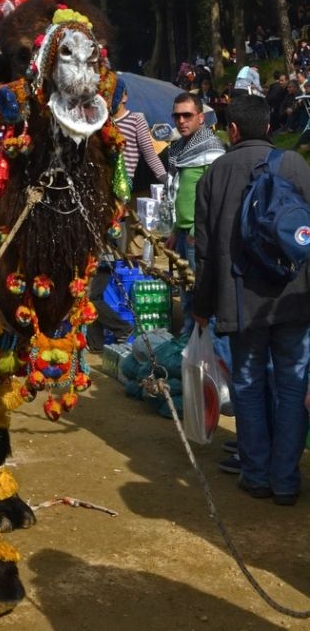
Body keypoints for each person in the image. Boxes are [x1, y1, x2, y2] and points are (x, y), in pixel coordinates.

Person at [194, 94, 310, 504]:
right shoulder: (295, 164)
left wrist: (201, 307)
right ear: (271, 128)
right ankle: (286, 481)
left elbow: (205, 253)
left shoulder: (215, 174)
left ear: (234, 130)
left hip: (240, 301)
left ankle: (257, 475)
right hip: (294, 298)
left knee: (248, 385)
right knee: (293, 387)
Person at [165, 93, 224, 336]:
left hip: (197, 237)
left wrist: (193, 232)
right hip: (183, 234)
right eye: (177, 115)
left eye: (187, 115)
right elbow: (180, 194)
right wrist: (175, 230)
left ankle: (199, 346)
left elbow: (216, 198)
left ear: (201, 117)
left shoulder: (212, 149)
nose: (181, 120)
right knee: (186, 290)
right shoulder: (179, 148)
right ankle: (189, 344)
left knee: (199, 293)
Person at [110, 78, 167, 260]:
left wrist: (165, 179)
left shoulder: (136, 119)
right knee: (108, 236)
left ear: (124, 96)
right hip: (104, 187)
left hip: (129, 187)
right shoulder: (100, 122)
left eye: (113, 93)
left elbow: (149, 154)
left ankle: (134, 278)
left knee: (136, 236)